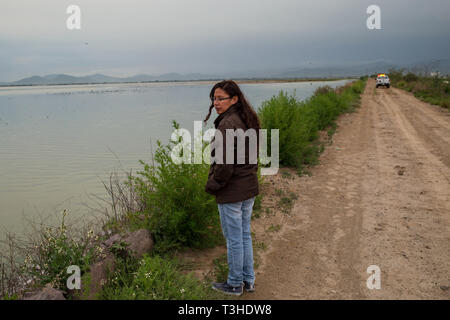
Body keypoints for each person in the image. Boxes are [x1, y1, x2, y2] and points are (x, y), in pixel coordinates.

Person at [204, 80, 260, 296]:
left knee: (235, 239)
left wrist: (213, 185)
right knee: (244, 235)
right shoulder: (246, 118)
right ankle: (248, 280)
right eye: (214, 99)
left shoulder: (228, 123)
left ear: (234, 99)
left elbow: (225, 165)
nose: (216, 103)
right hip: (247, 187)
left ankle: (235, 283)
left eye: (220, 98)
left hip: (232, 190)